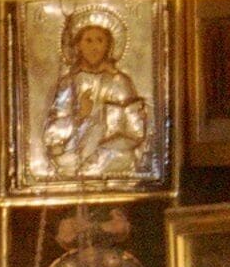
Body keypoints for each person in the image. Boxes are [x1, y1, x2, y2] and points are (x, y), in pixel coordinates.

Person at [42, 12, 153, 180]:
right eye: (88, 40)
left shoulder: (120, 82)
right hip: (73, 153)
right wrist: (80, 115)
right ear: (78, 45)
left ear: (108, 46)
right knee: (64, 162)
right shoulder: (68, 83)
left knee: (125, 159)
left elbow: (135, 133)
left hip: (111, 155)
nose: (94, 47)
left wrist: (101, 153)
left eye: (100, 40)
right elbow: (52, 134)